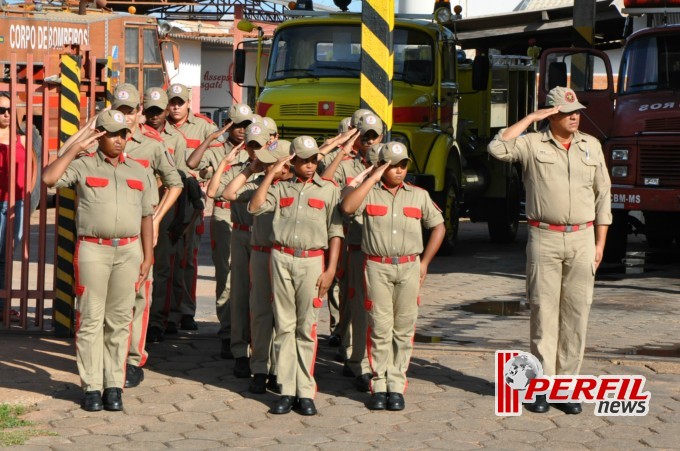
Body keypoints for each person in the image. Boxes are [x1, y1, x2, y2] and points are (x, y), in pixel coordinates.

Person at [488, 86, 612, 415]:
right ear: (550, 114)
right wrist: (530, 118)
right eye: (566, 111)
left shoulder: (591, 146)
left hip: (583, 239)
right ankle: (541, 386)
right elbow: (498, 147)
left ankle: (565, 387)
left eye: (577, 111)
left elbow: (604, 196)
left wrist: (600, 243)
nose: (574, 116)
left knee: (576, 315)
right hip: (544, 237)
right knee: (544, 315)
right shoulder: (531, 144)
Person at [42, 110, 154, 412]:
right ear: (99, 135)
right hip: (93, 249)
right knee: (90, 318)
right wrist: (76, 147)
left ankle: (113, 386)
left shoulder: (138, 170)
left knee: (119, 320)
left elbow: (147, 216)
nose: (118, 140)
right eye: (111, 134)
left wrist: (148, 255)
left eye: (122, 134)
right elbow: (49, 178)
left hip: (129, 251)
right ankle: (91, 386)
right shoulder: (83, 164)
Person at [341, 141, 445, 411]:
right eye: (392, 166)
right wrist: (373, 176)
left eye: (403, 165)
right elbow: (348, 207)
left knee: (403, 327)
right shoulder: (369, 194)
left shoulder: (418, 195)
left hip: (409, 267)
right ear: (380, 166)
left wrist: (425, 263)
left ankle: (396, 385)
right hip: (377, 266)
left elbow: (439, 227)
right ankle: (380, 384)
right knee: (379, 327)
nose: (399, 171)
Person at [249, 136, 344, 416]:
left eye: (314, 159)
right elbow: (255, 207)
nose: (310, 165)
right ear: (293, 160)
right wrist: (271, 173)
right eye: (303, 160)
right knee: (285, 326)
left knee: (307, 328)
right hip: (281, 258)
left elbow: (335, 232)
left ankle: (305, 390)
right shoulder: (280, 189)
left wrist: (330, 270)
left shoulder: (328, 191)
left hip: (312, 262)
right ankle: (286, 390)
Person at [110, 84, 183, 389]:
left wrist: (155, 219)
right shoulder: (100, 140)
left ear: (138, 112)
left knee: (139, 297)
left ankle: (132, 359)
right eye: (120, 110)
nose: (126, 117)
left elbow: (175, 183)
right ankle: (107, 357)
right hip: (108, 231)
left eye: (130, 111)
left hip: (140, 234)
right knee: (107, 299)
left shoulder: (152, 144)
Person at [220, 139, 296, 394]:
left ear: (286, 164)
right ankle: (260, 368)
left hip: (289, 257)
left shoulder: (299, 189)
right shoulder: (260, 185)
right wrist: (251, 170)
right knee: (261, 314)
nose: (262, 163)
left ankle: (280, 370)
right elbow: (229, 194)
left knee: (285, 319)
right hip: (262, 254)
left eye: (268, 161)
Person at [187, 103, 253, 359]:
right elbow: (192, 162)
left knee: (251, 275)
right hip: (224, 212)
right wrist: (211, 138)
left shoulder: (256, 150)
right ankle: (228, 331)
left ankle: (248, 331)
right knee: (226, 275)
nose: (241, 130)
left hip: (250, 212)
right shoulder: (216, 150)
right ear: (228, 125)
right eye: (237, 125)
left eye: (247, 125)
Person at [207, 122, 271, 378]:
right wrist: (232, 164)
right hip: (242, 235)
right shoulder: (240, 169)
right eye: (250, 145)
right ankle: (239, 351)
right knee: (239, 293)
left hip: (267, 238)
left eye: (259, 144)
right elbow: (215, 192)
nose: (254, 150)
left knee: (265, 298)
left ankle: (264, 353)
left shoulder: (279, 169)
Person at [323, 113, 382, 391]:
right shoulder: (346, 164)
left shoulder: (390, 162)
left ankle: (360, 356)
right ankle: (350, 350)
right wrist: (342, 147)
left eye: (373, 135)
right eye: (364, 135)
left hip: (375, 248)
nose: (369, 140)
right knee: (348, 297)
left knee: (367, 306)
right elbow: (325, 179)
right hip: (348, 240)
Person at [165, 83, 219, 331]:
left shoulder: (205, 127)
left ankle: (186, 309)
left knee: (187, 257)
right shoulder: (156, 126)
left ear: (189, 103)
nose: (175, 106)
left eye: (180, 102)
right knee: (162, 257)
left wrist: (205, 175)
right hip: (162, 196)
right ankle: (163, 309)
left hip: (190, 198)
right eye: (172, 102)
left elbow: (216, 163)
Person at [141, 87, 191, 343]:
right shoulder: (134, 135)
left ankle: (157, 322)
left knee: (161, 269)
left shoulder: (176, 139)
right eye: (149, 111)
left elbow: (179, 181)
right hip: (136, 209)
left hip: (164, 210)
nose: (154, 116)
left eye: (158, 111)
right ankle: (137, 320)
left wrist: (179, 218)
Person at [0, 92, 37, 323]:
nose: (5, 114)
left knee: (7, 256)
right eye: (0, 110)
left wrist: (28, 193)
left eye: (7, 110)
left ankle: (3, 305)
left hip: (18, 203)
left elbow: (34, 165)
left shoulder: (22, 139)